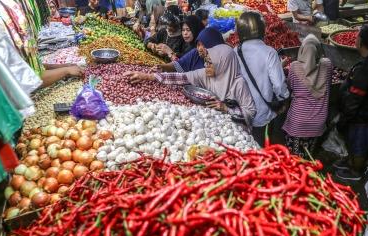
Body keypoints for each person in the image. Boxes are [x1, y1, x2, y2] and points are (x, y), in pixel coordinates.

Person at [124, 44, 257, 128]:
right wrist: (147, 76)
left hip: (236, 129)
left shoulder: (238, 83)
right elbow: (181, 77)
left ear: (223, 64)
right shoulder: (207, 74)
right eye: (206, 62)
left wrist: (226, 108)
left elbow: (251, 113)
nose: (206, 66)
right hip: (213, 124)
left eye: (211, 63)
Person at [335, 25, 368, 181]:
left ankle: (355, 171)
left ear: (360, 41)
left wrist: (345, 118)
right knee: (355, 140)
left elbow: (354, 100)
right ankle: (350, 161)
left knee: (359, 143)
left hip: (362, 114)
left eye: (357, 37)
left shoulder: (364, 70)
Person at [234, 11, 290, 147]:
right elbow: (278, 85)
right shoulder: (269, 52)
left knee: (244, 146)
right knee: (262, 149)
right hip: (263, 114)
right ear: (262, 29)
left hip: (241, 112)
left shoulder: (235, 51)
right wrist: (284, 101)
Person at [282, 34, 332, 158]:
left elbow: (289, 88)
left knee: (294, 160)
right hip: (318, 122)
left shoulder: (294, 67)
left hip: (298, 121)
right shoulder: (327, 66)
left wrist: (281, 66)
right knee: (309, 157)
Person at [156, 27, 224, 73]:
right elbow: (178, 64)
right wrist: (162, 67)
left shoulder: (224, 60)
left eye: (204, 45)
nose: (200, 49)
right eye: (198, 45)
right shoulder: (195, 53)